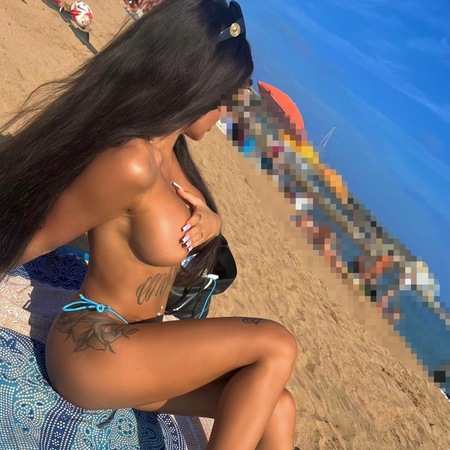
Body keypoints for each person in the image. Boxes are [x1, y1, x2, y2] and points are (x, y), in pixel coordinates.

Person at [0, 1, 297, 449]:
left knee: (279, 406)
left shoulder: (174, 157)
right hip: (95, 345)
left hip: (144, 344)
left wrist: (213, 222)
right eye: (225, 97)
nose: (224, 111)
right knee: (276, 343)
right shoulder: (131, 162)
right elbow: (39, 236)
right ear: (197, 81)